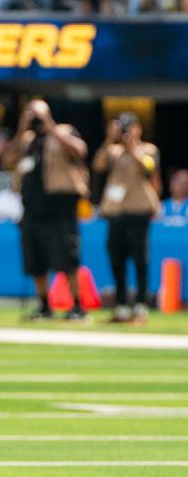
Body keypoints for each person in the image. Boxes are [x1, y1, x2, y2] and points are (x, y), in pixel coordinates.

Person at [4, 99, 89, 321]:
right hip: (32, 208)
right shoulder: (27, 140)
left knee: (67, 259)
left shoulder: (63, 131)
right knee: (36, 260)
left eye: (37, 114)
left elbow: (80, 150)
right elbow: (7, 159)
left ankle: (78, 306)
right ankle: (44, 305)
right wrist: (23, 127)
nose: (35, 119)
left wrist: (49, 124)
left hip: (60, 208)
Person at [92, 112, 161, 324]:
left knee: (140, 259)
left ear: (138, 128)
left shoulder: (148, 149)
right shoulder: (113, 151)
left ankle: (140, 306)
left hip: (139, 210)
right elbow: (98, 165)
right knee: (116, 258)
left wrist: (131, 145)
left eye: (130, 127)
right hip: (116, 212)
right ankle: (121, 306)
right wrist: (109, 138)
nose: (126, 131)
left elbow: (148, 167)